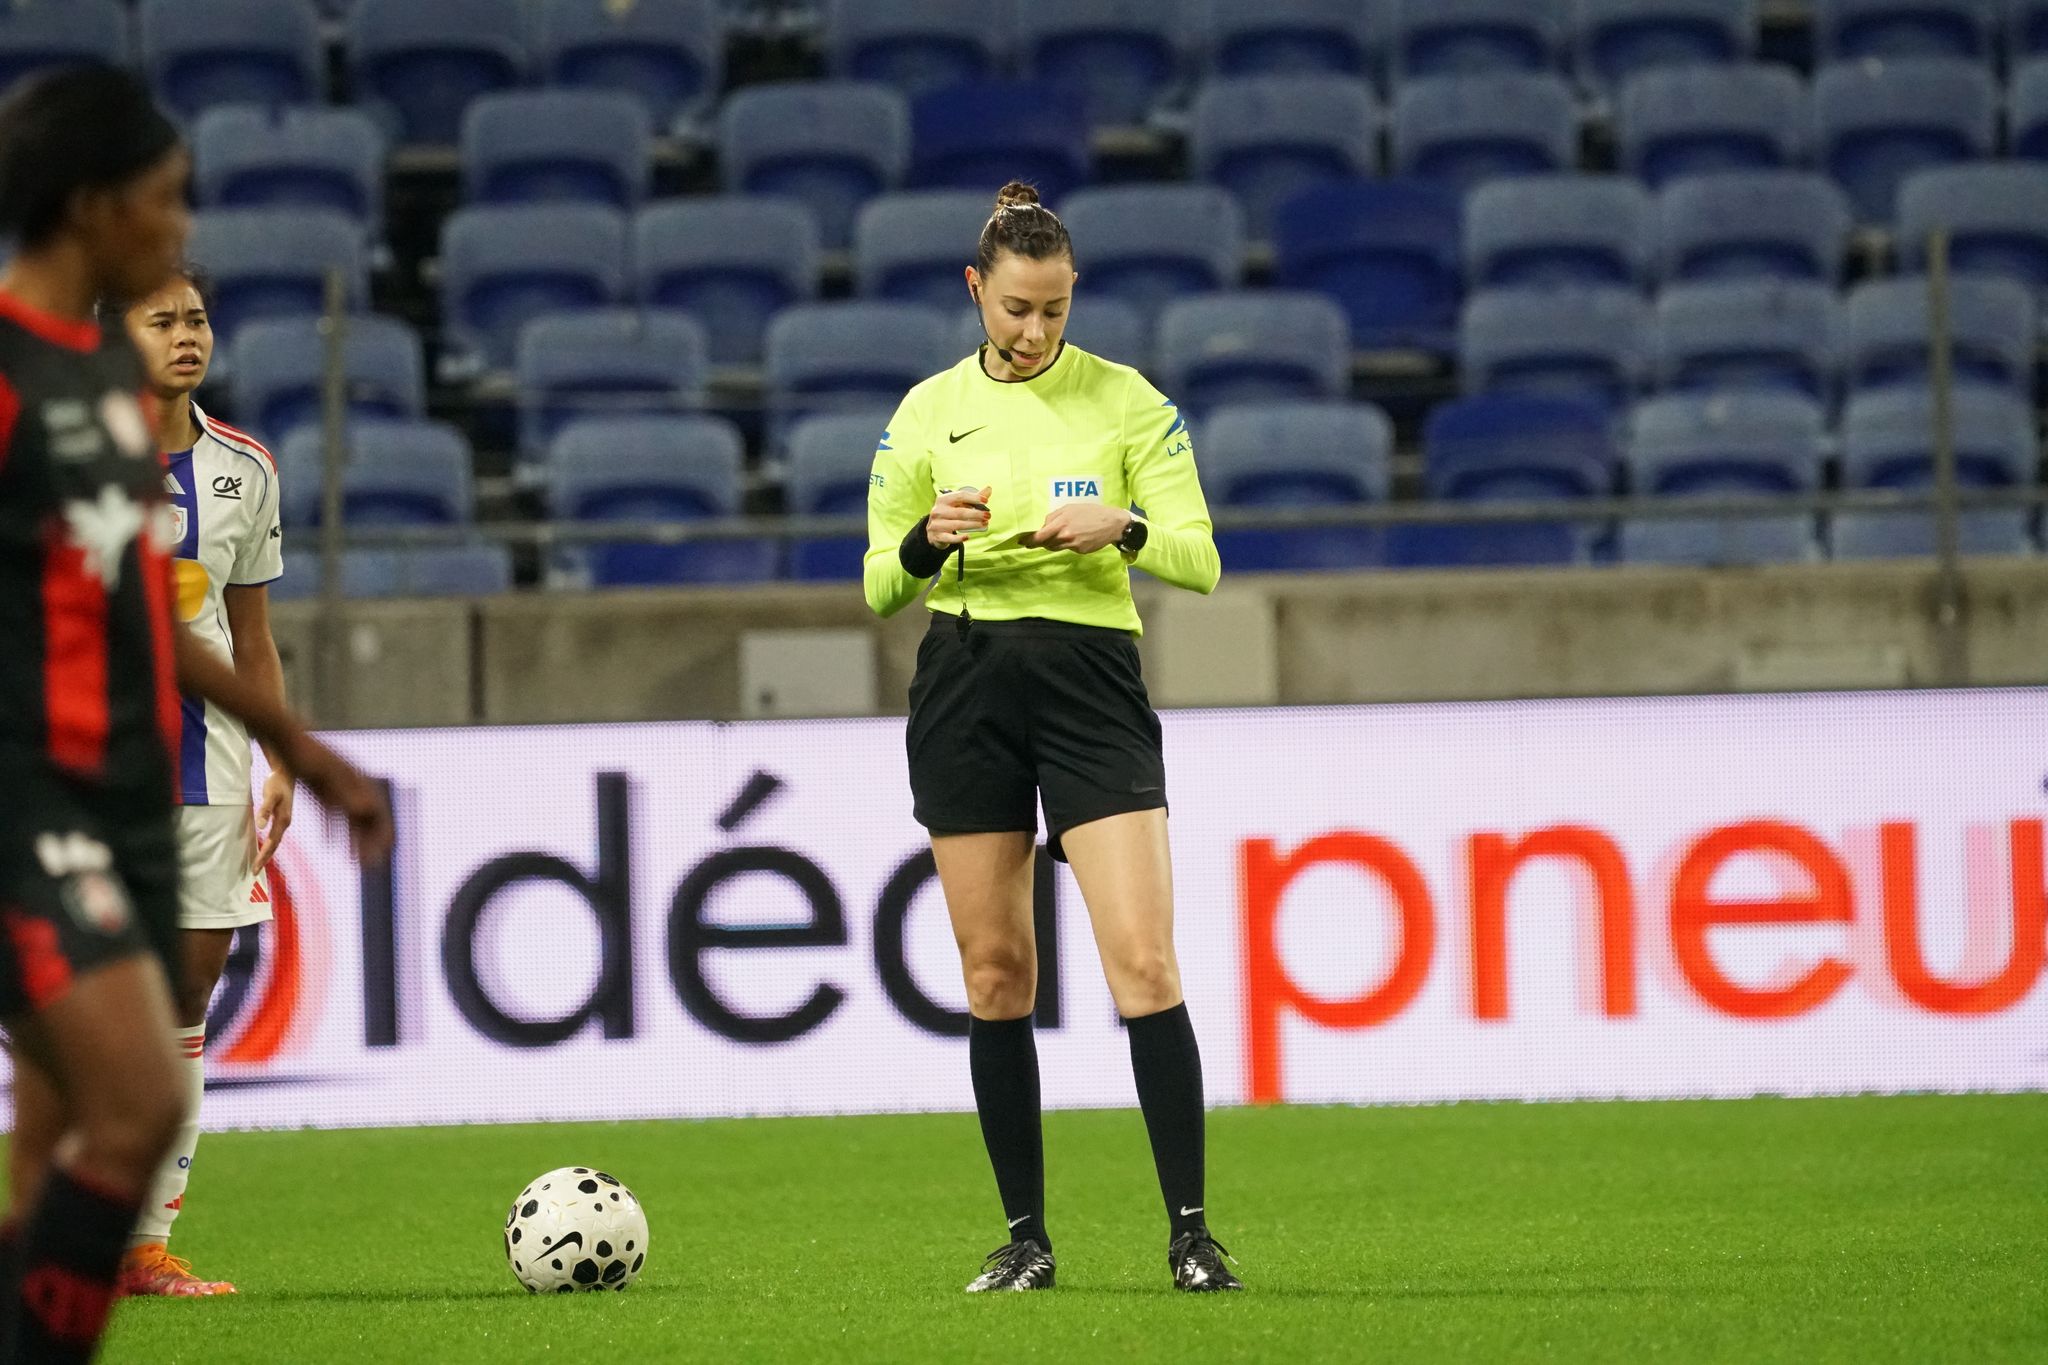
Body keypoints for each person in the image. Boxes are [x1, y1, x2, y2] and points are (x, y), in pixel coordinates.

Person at [0, 65, 390, 1362]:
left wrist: (301, 751)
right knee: (125, 1098)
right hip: (32, 793)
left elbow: (148, 621)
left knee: (81, 1123)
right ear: (93, 205)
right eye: (163, 203)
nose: (180, 233)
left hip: (116, 783)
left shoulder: (100, 406)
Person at [862, 182, 1240, 1293]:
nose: (1035, 332)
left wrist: (1123, 527)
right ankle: (1025, 1240)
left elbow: (1201, 560)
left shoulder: (1127, 402)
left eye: (1056, 310)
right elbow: (880, 584)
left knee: (1143, 962)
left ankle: (1191, 1236)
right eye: (1017, 308)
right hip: (966, 680)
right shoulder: (925, 412)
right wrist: (926, 542)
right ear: (975, 289)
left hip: (1088, 683)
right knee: (995, 974)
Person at [97, 268, 285, 1297]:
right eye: (161, 319)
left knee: (182, 1004)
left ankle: (140, 1248)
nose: (186, 336)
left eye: (198, 318)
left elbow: (251, 638)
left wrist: (282, 756)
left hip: (205, 770)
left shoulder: (244, 470)